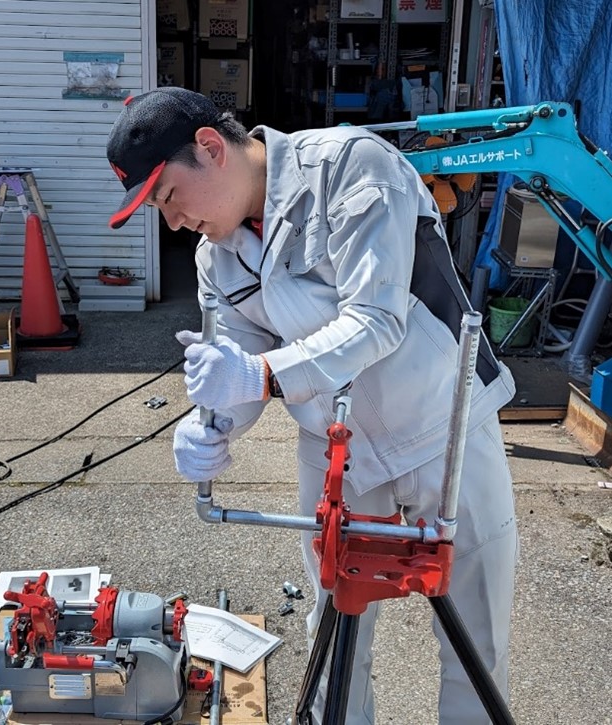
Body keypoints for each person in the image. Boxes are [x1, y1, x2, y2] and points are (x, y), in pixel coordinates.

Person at [106, 86, 518, 725]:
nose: (174, 222)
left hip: (442, 427)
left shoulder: (350, 165)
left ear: (210, 148)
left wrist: (261, 375)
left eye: (169, 196)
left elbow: (376, 319)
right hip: (336, 449)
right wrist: (209, 426)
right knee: (334, 641)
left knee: (475, 642)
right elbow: (237, 368)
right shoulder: (217, 258)